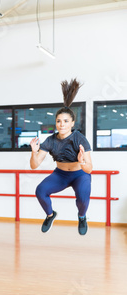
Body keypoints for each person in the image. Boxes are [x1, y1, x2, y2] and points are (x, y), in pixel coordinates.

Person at [30, 78, 93, 235]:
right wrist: (33, 152)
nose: (62, 124)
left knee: (83, 200)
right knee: (40, 191)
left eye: (66, 121)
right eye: (59, 121)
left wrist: (82, 161)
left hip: (80, 174)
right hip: (61, 174)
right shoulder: (50, 140)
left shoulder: (79, 138)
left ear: (72, 123)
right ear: (55, 123)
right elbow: (34, 165)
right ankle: (51, 215)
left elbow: (90, 169)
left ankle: (82, 217)